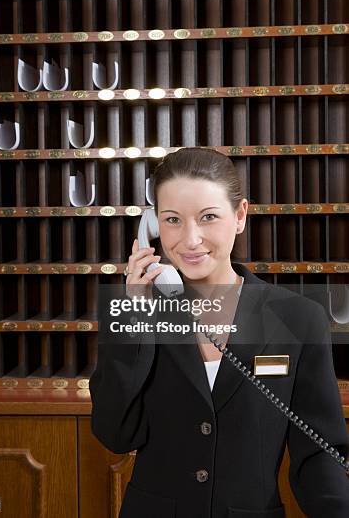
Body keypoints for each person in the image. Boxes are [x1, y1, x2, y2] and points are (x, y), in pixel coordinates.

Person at [89, 147, 349, 518]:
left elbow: (317, 453)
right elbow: (116, 435)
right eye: (172, 220)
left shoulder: (298, 318)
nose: (190, 239)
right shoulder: (138, 313)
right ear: (152, 225)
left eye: (208, 217)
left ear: (240, 215)